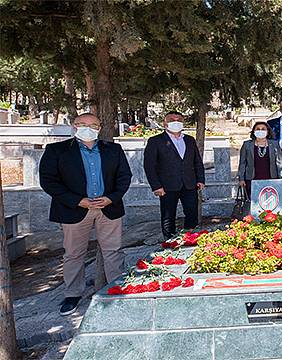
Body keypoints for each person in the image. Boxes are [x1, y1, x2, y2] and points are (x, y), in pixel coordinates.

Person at [39, 113, 132, 316]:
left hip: (108, 208)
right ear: (74, 127)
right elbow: (48, 181)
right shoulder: (57, 150)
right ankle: (72, 294)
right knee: (73, 253)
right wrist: (77, 200)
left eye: (92, 125)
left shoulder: (113, 149)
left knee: (113, 251)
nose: (87, 128)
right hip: (74, 210)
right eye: (82, 124)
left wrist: (112, 197)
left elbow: (124, 176)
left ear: (99, 128)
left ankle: (117, 288)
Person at [144, 111, 205, 240]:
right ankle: (169, 241)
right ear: (165, 123)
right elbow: (149, 166)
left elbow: (197, 161)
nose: (175, 121)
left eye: (179, 119)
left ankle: (190, 238)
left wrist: (200, 179)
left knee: (192, 213)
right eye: (172, 119)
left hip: (189, 184)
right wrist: (156, 186)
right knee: (168, 216)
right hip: (167, 186)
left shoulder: (189, 140)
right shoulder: (156, 141)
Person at [237, 121, 282, 196]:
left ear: (267, 131)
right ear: (253, 131)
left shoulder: (274, 144)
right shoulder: (247, 145)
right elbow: (242, 163)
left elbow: (279, 163)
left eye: (263, 129)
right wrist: (241, 179)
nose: (260, 131)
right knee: (253, 202)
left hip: (271, 179)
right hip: (251, 179)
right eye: (258, 129)